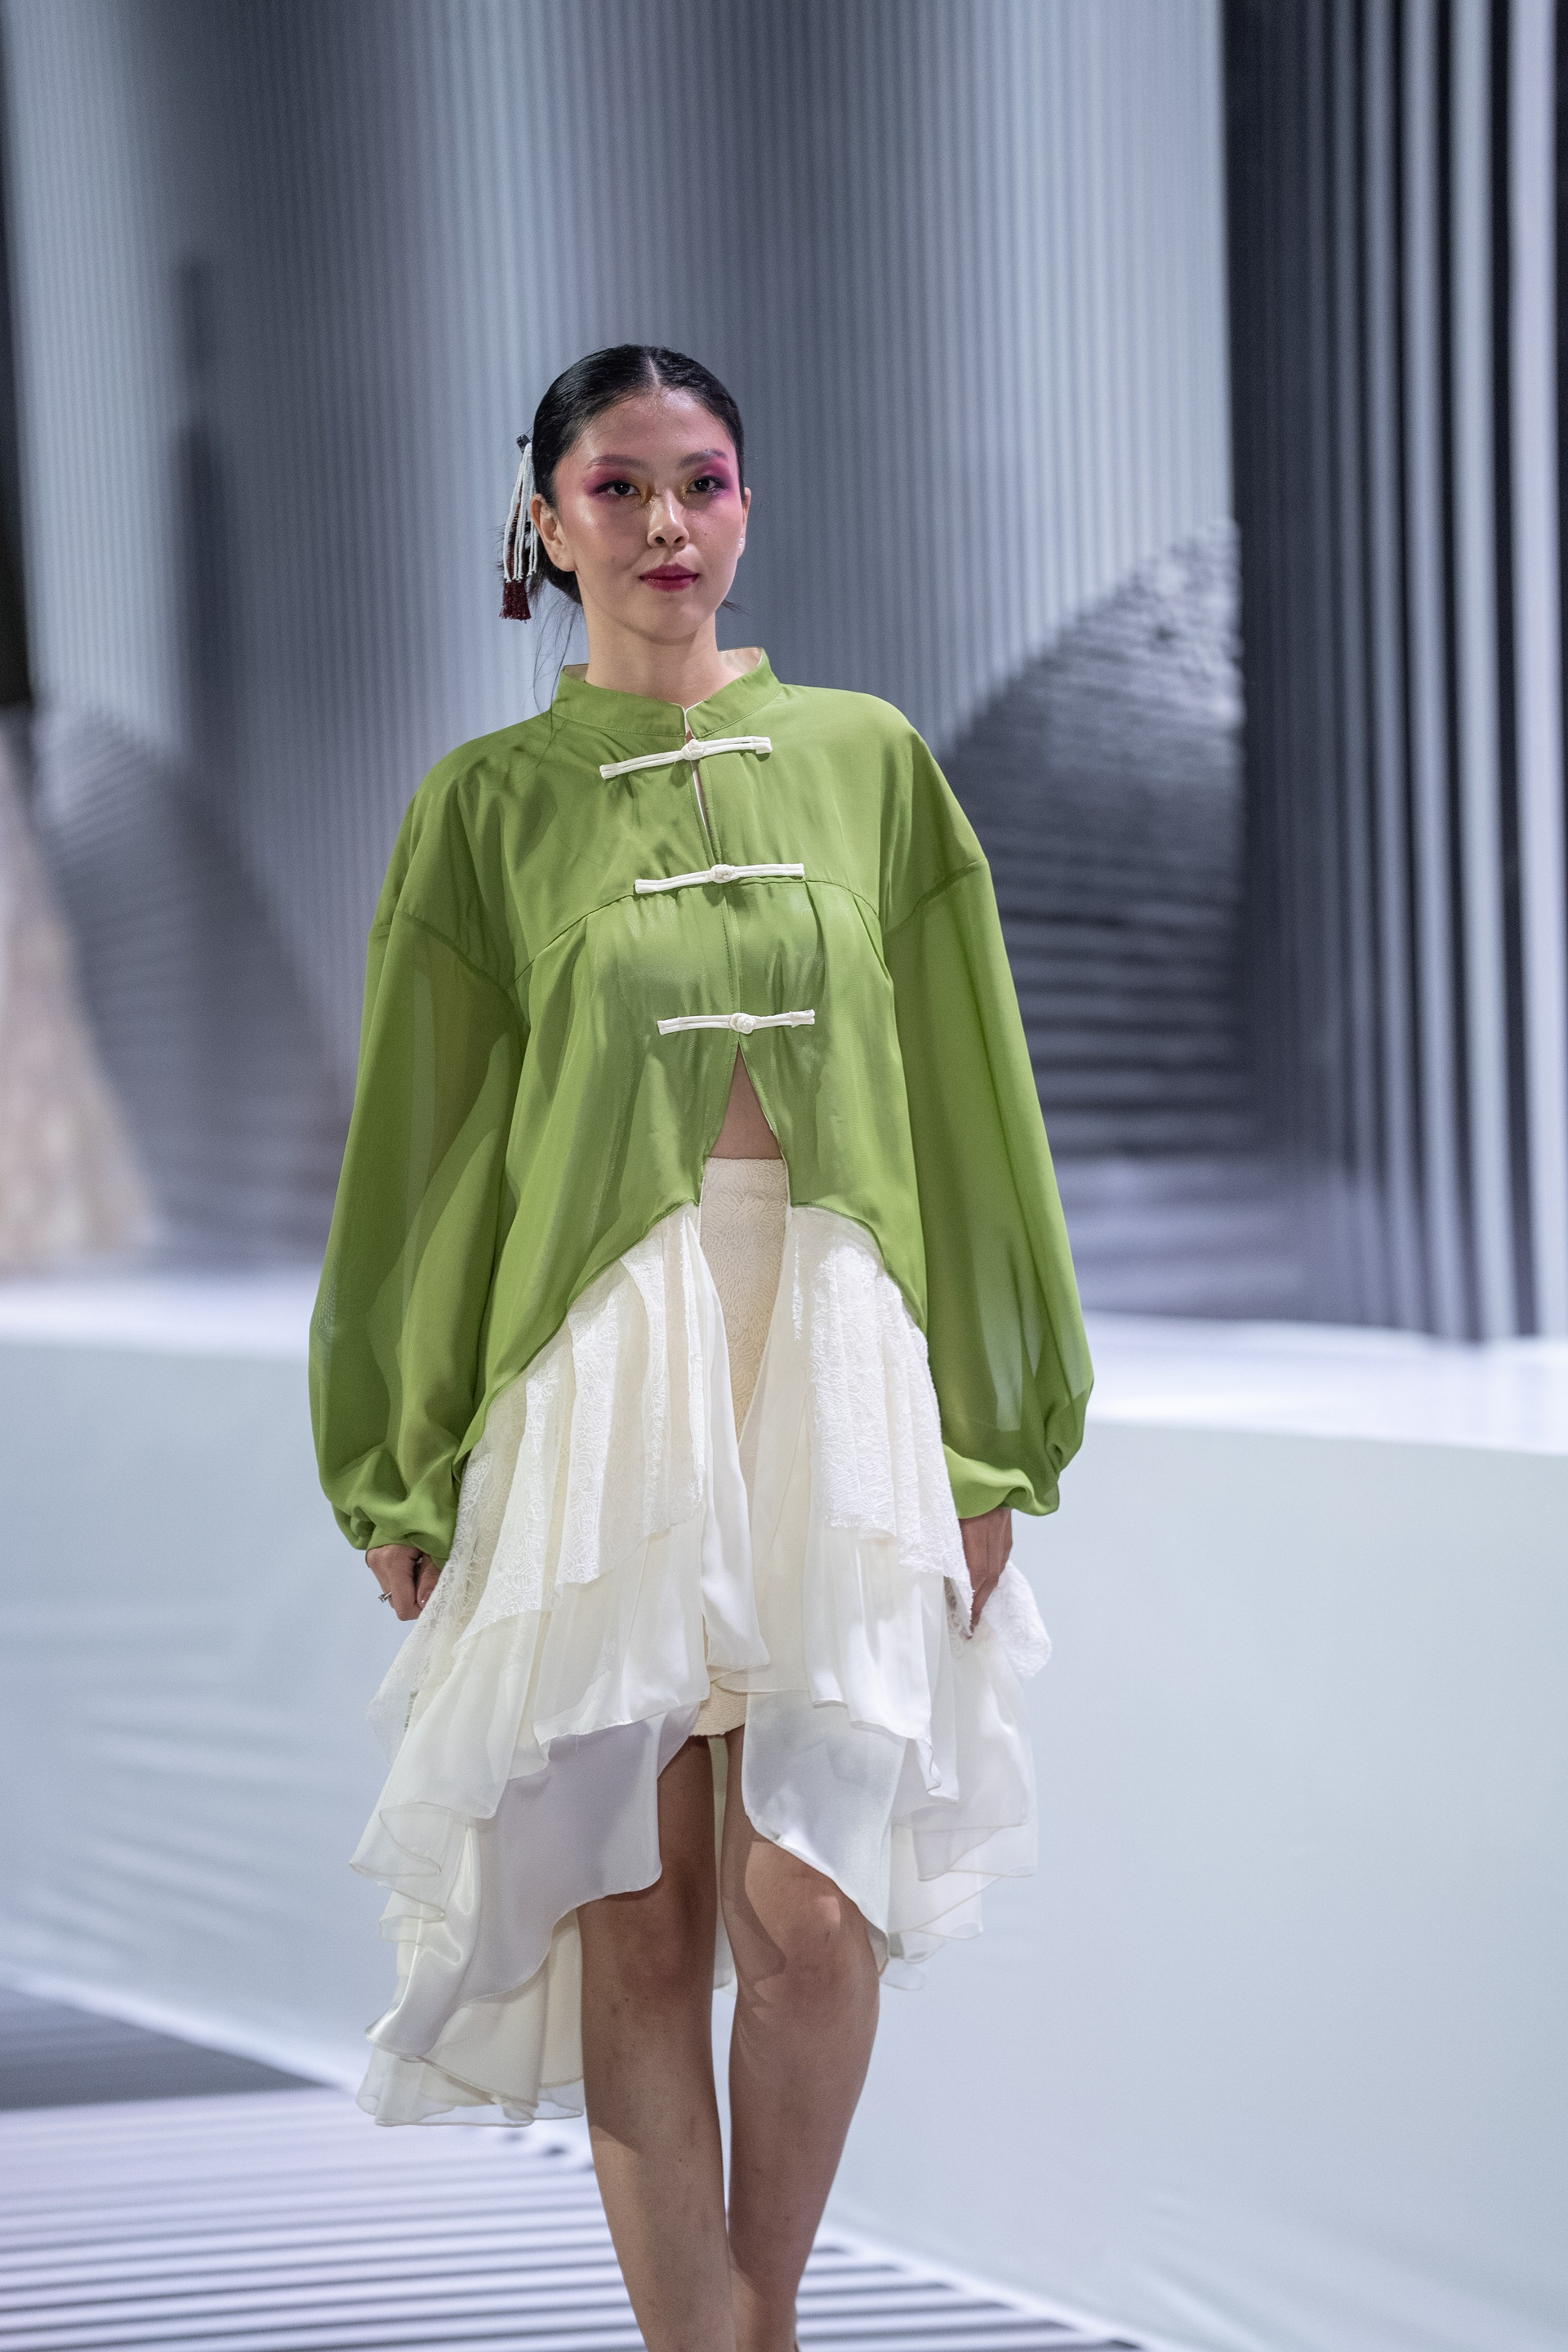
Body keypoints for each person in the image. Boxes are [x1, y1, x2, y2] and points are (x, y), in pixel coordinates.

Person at [310, 344, 1091, 2352]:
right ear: (546, 523)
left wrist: (991, 1436)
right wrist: (396, 1454)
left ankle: (763, 2312)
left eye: (705, 480)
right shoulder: (485, 806)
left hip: (835, 1357)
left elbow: (976, 1108)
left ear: (746, 505)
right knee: (638, 1926)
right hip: (601, 1373)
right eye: (621, 486)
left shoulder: (870, 760)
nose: (668, 523)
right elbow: (421, 1153)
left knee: (811, 1911)